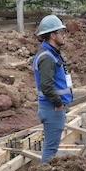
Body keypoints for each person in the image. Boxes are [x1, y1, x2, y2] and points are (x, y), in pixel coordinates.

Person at [33, 15, 72, 163]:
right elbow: (46, 86)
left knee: (52, 148)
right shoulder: (47, 57)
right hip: (52, 108)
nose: (64, 35)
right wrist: (58, 104)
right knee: (50, 150)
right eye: (61, 33)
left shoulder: (52, 54)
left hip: (52, 108)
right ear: (52, 35)